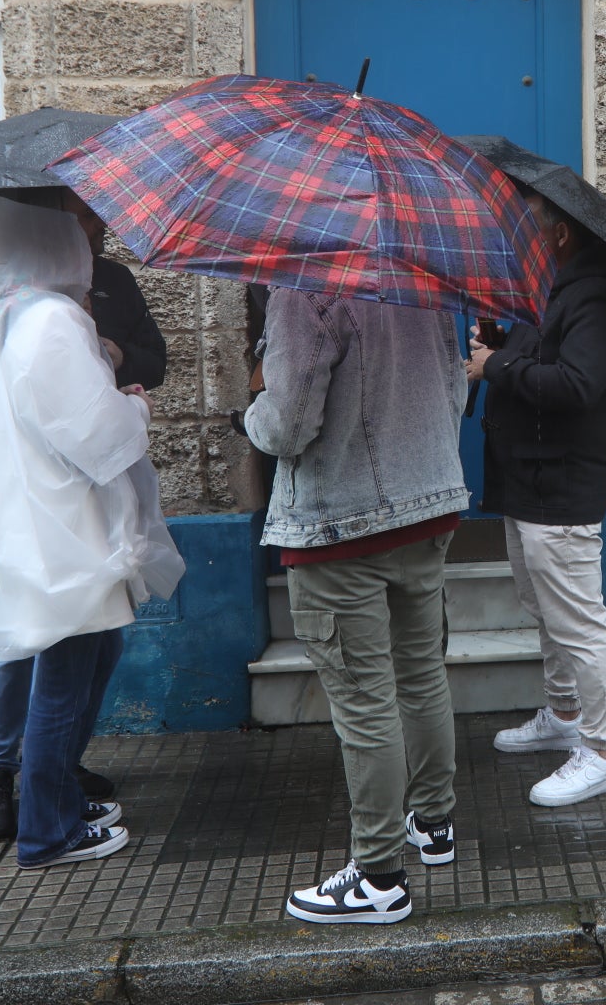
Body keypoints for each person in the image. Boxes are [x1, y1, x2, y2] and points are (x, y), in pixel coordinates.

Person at [0, 193, 183, 868]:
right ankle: (49, 829)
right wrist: (135, 411)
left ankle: (59, 802)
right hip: (64, 529)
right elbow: (96, 437)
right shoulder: (51, 320)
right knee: (67, 673)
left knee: (81, 662)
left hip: (23, 522)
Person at [245, 288, 467, 925]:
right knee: (422, 676)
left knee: (365, 699)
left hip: (339, 523)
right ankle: (434, 825)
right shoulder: (421, 275)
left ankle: (378, 877)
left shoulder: (306, 284)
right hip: (428, 503)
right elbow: (456, 392)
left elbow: (287, 424)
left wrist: (250, 415)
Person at [467, 192, 606, 808]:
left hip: (562, 487)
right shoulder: (553, 289)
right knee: (542, 607)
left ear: (560, 234)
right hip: (527, 483)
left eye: (529, 230)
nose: (519, 242)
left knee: (580, 623)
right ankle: (564, 713)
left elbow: (578, 385)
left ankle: (600, 752)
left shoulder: (597, 297)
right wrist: (498, 345)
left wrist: (495, 367)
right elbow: (535, 359)